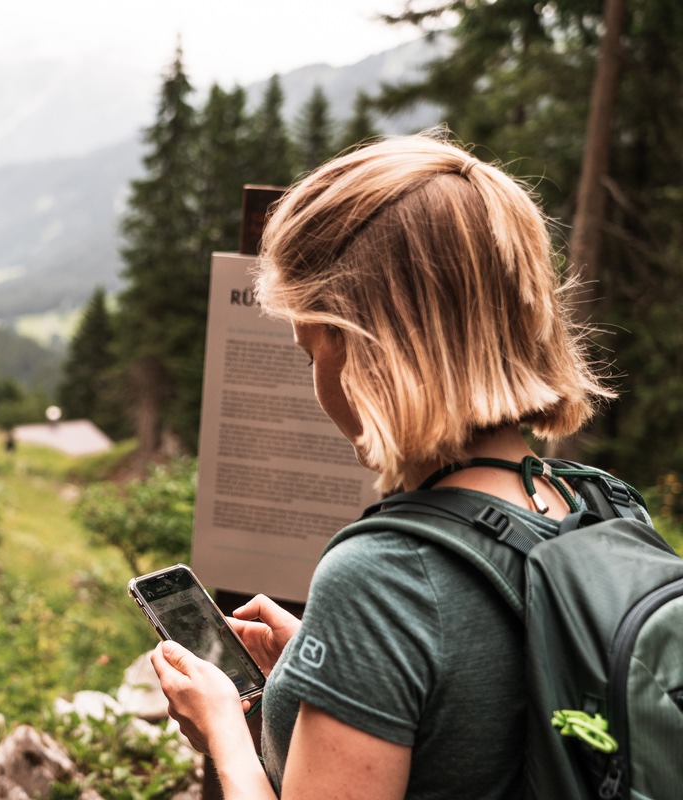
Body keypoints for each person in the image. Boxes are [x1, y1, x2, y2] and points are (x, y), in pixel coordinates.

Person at [149, 133, 615, 799]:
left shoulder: (382, 579)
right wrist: (332, 662)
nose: (317, 384)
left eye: (312, 351)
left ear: (363, 346)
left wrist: (224, 727)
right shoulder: (597, 507)